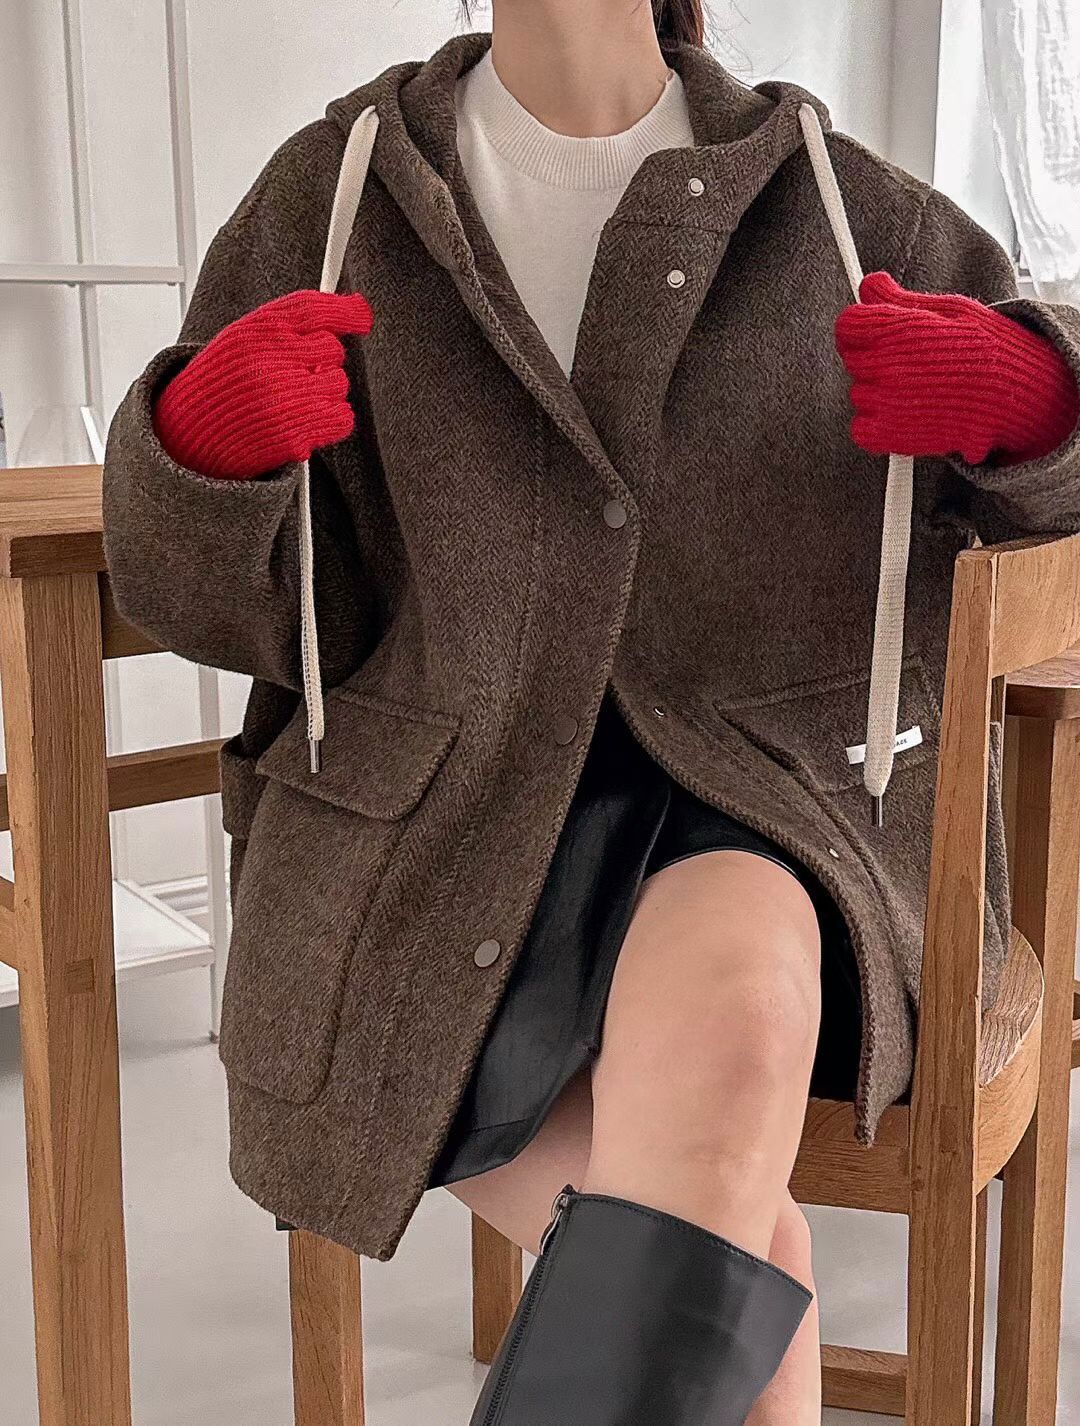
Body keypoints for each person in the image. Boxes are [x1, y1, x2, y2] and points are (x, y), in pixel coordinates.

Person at [102, 2, 1080, 1420]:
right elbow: (205, 600)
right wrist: (197, 451)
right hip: (431, 844)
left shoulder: (836, 202)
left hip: (758, 801)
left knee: (742, 1012)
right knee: (742, 1253)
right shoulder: (334, 194)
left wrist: (1038, 402)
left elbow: (1058, 476)